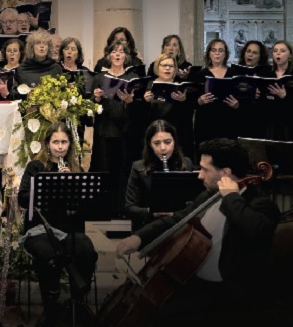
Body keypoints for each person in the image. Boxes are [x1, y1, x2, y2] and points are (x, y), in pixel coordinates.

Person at [116, 138, 280, 327]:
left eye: (205, 169)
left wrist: (231, 197)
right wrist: (138, 238)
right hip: (192, 279)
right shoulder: (209, 195)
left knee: (164, 313)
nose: (200, 176)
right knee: (154, 305)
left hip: (226, 292)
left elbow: (256, 231)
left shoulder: (260, 205)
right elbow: (177, 219)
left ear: (225, 172)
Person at [17, 122, 98, 327]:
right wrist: (50, 184)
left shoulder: (75, 168)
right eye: (56, 142)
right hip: (40, 228)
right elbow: (22, 199)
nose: (60, 147)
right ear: (48, 143)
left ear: (70, 144)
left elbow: (87, 207)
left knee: (86, 250)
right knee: (48, 255)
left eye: (64, 142)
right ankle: (50, 307)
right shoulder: (36, 167)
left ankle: (76, 303)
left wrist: (72, 184)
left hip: (68, 228)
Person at [91, 41, 141, 216]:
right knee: (105, 172)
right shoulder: (99, 78)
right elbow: (90, 109)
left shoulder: (132, 77)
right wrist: (96, 99)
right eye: (114, 51)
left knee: (123, 174)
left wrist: (130, 101)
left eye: (122, 52)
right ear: (108, 56)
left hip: (125, 133)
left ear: (126, 56)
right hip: (105, 132)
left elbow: (140, 111)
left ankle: (122, 211)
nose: (118, 54)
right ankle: (104, 212)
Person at [124, 120, 194, 231]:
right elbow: (129, 208)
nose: (162, 148)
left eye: (167, 142)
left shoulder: (186, 164)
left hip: (178, 226)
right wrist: (152, 212)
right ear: (149, 144)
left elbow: (193, 202)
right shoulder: (138, 167)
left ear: (174, 141)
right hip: (148, 227)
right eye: (156, 143)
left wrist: (178, 212)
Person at [193, 39, 245, 155]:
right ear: (209, 53)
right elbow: (191, 102)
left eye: (221, 51)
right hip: (206, 122)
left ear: (225, 54)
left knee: (228, 157)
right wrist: (199, 101)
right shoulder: (200, 75)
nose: (217, 53)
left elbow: (243, 100)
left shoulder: (234, 74)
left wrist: (237, 104)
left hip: (229, 121)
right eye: (214, 50)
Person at [141, 53, 196, 159]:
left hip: (177, 134)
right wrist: (145, 102)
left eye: (171, 66)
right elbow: (141, 116)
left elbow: (188, 116)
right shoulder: (147, 85)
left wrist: (183, 101)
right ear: (157, 67)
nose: (167, 68)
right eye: (164, 65)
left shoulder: (182, 86)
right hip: (154, 133)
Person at [257, 40, 293, 141]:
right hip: (269, 120)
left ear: (290, 55)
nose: (278, 53)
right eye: (275, 50)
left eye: (282, 51)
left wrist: (284, 96)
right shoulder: (266, 72)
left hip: (288, 121)